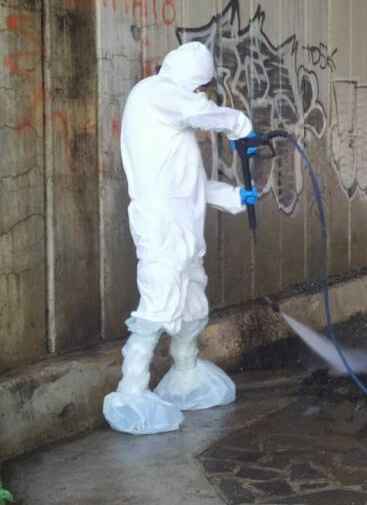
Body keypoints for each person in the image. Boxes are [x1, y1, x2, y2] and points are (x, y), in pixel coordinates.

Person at [103, 42, 257, 435]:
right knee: (157, 305)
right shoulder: (155, 94)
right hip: (160, 227)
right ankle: (132, 390)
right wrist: (241, 126)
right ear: (190, 82)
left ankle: (186, 373)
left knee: (190, 302)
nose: (201, 95)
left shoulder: (172, 122)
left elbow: (193, 183)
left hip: (184, 229)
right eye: (200, 88)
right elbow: (200, 112)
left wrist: (234, 197)